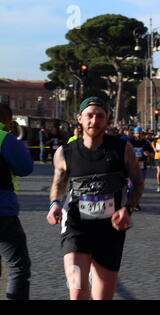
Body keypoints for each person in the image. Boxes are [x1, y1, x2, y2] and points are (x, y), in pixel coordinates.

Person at [46, 97, 144, 300]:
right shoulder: (65, 153)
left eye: (100, 116)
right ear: (80, 119)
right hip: (75, 229)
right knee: (77, 292)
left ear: (106, 120)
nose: (94, 121)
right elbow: (58, 184)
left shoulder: (121, 150)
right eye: (89, 116)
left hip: (110, 231)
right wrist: (55, 204)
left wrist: (128, 209)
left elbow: (138, 182)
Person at [0, 103, 34, 300]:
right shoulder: (5, 138)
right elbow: (24, 168)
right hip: (3, 211)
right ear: (7, 120)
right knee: (18, 267)